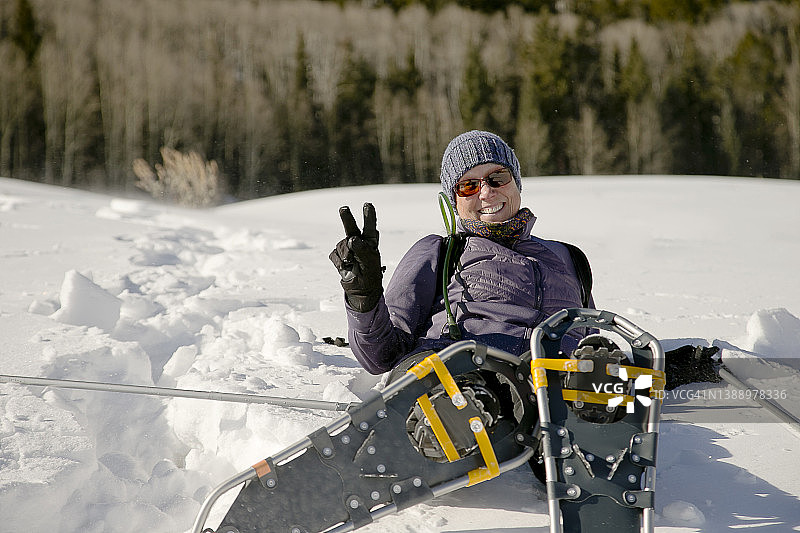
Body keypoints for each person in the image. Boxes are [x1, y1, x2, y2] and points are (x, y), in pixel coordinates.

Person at [329, 130, 593, 378]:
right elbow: (380, 357)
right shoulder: (442, 252)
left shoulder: (569, 258)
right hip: (466, 386)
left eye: (497, 177)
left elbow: (594, 339)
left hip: (565, 395)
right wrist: (363, 296)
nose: (487, 192)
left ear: (516, 183)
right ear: (454, 200)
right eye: (468, 186)